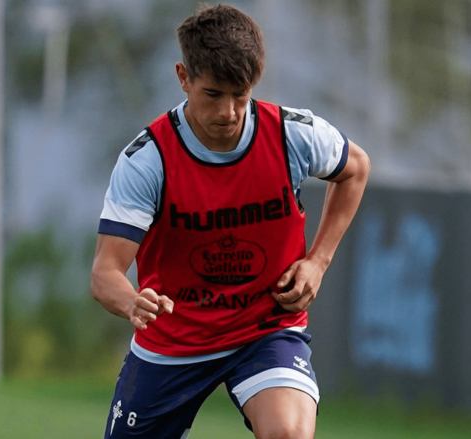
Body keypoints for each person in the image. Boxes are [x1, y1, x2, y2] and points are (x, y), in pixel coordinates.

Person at [90, 4, 370, 439]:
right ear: (183, 77)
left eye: (241, 95)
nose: (230, 112)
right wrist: (132, 302)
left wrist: (318, 261)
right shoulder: (148, 161)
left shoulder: (290, 134)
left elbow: (355, 168)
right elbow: (105, 273)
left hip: (265, 329)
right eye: (213, 94)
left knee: (288, 435)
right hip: (172, 342)